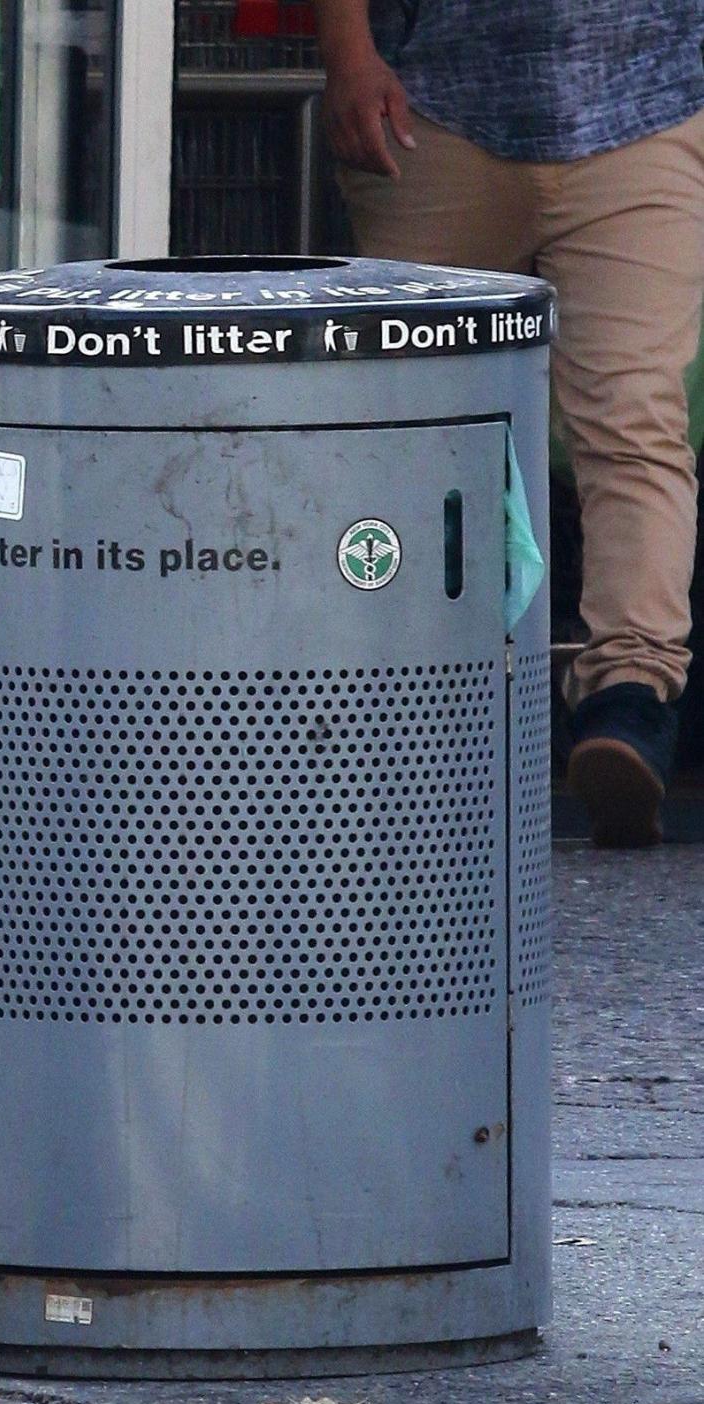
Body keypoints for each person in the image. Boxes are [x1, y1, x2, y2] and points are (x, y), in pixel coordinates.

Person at [314, 0, 704, 848]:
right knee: (407, 436)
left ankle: (629, 699)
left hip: (647, 108)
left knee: (634, 415)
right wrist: (347, 53)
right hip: (432, 110)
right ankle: (402, 710)